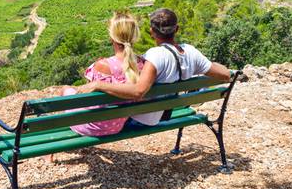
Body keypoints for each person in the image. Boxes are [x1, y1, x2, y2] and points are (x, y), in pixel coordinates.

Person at [77, 8, 231, 126]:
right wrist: (208, 63)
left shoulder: (154, 56)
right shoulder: (191, 52)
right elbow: (225, 74)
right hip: (168, 111)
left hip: (142, 118)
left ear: (151, 32)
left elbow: (138, 91)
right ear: (176, 29)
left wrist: (99, 83)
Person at [59, 11, 144, 137]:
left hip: (91, 127)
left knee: (65, 89)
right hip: (117, 126)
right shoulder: (143, 64)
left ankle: (59, 132)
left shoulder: (104, 65)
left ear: (112, 38)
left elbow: (87, 97)